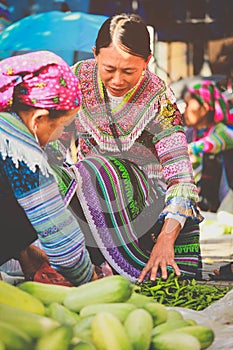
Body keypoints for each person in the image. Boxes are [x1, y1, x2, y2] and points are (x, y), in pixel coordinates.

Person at [59, 13, 204, 283]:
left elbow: (182, 179)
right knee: (73, 174)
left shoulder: (159, 99)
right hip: (92, 200)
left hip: (145, 206)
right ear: (95, 54)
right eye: (108, 69)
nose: (116, 80)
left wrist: (165, 239)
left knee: (98, 168)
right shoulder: (77, 77)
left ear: (148, 62)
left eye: (128, 71)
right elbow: (53, 151)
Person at [0, 50, 96, 286]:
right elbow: (62, 242)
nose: (60, 135)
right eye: (62, 125)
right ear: (38, 119)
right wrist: (91, 281)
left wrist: (26, 253)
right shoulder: (21, 152)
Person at [183, 80, 233, 213]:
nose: (185, 110)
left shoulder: (222, 131)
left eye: (188, 104)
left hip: (223, 205)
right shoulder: (189, 133)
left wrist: (192, 148)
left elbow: (216, 142)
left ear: (204, 108)